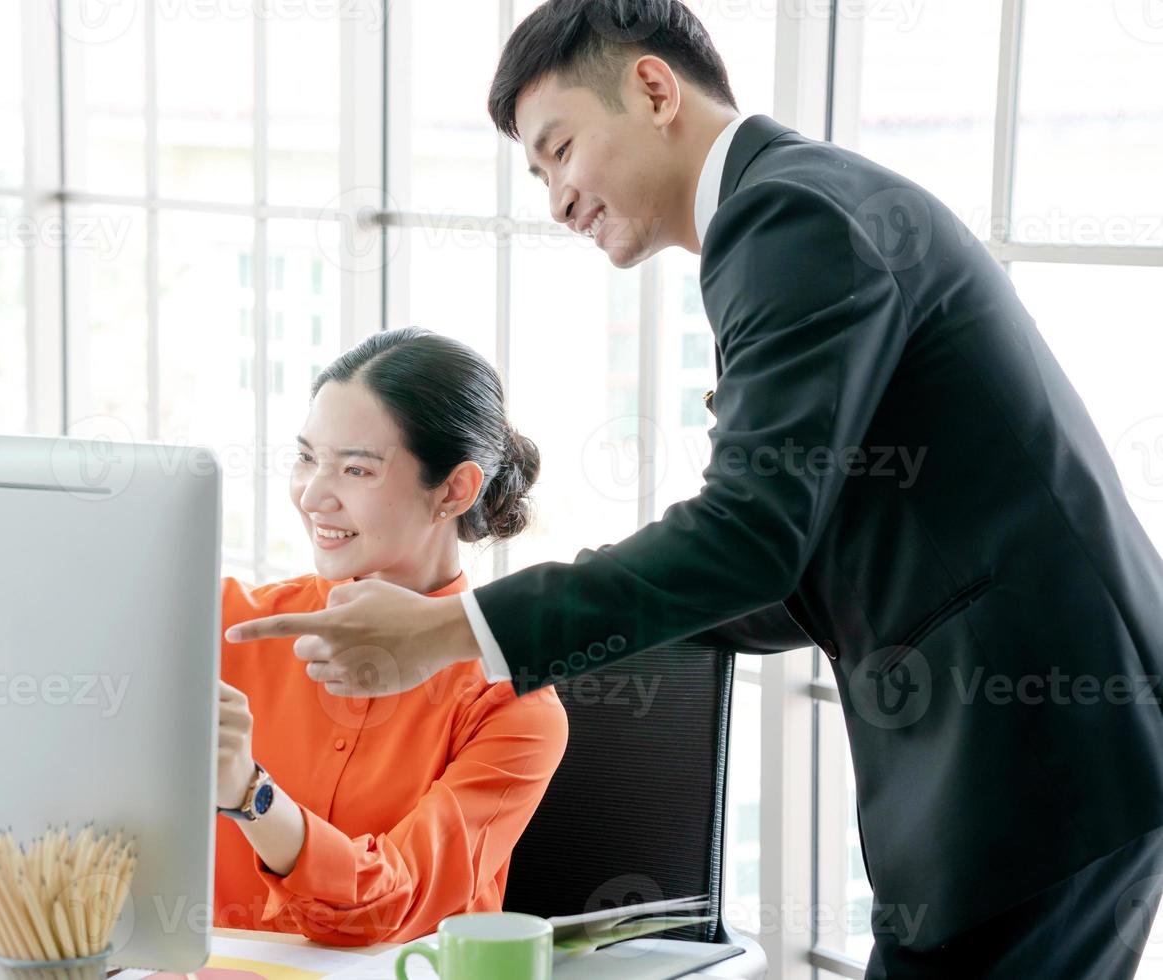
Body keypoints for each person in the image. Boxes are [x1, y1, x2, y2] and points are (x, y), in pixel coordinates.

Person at [225, 1, 1163, 976]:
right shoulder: (790, 215)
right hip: (1025, 760)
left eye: (560, 149)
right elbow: (777, 560)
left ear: (653, 88)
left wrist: (451, 632)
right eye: (537, 174)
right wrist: (551, 626)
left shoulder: (785, 215)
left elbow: (747, 535)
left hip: (1037, 753)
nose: (555, 199)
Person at [212, 327, 568, 946]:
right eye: (306, 458)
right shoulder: (222, 625)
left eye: (355, 468)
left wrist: (250, 796)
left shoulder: (515, 708)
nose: (313, 496)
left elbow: (387, 910)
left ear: (455, 490)